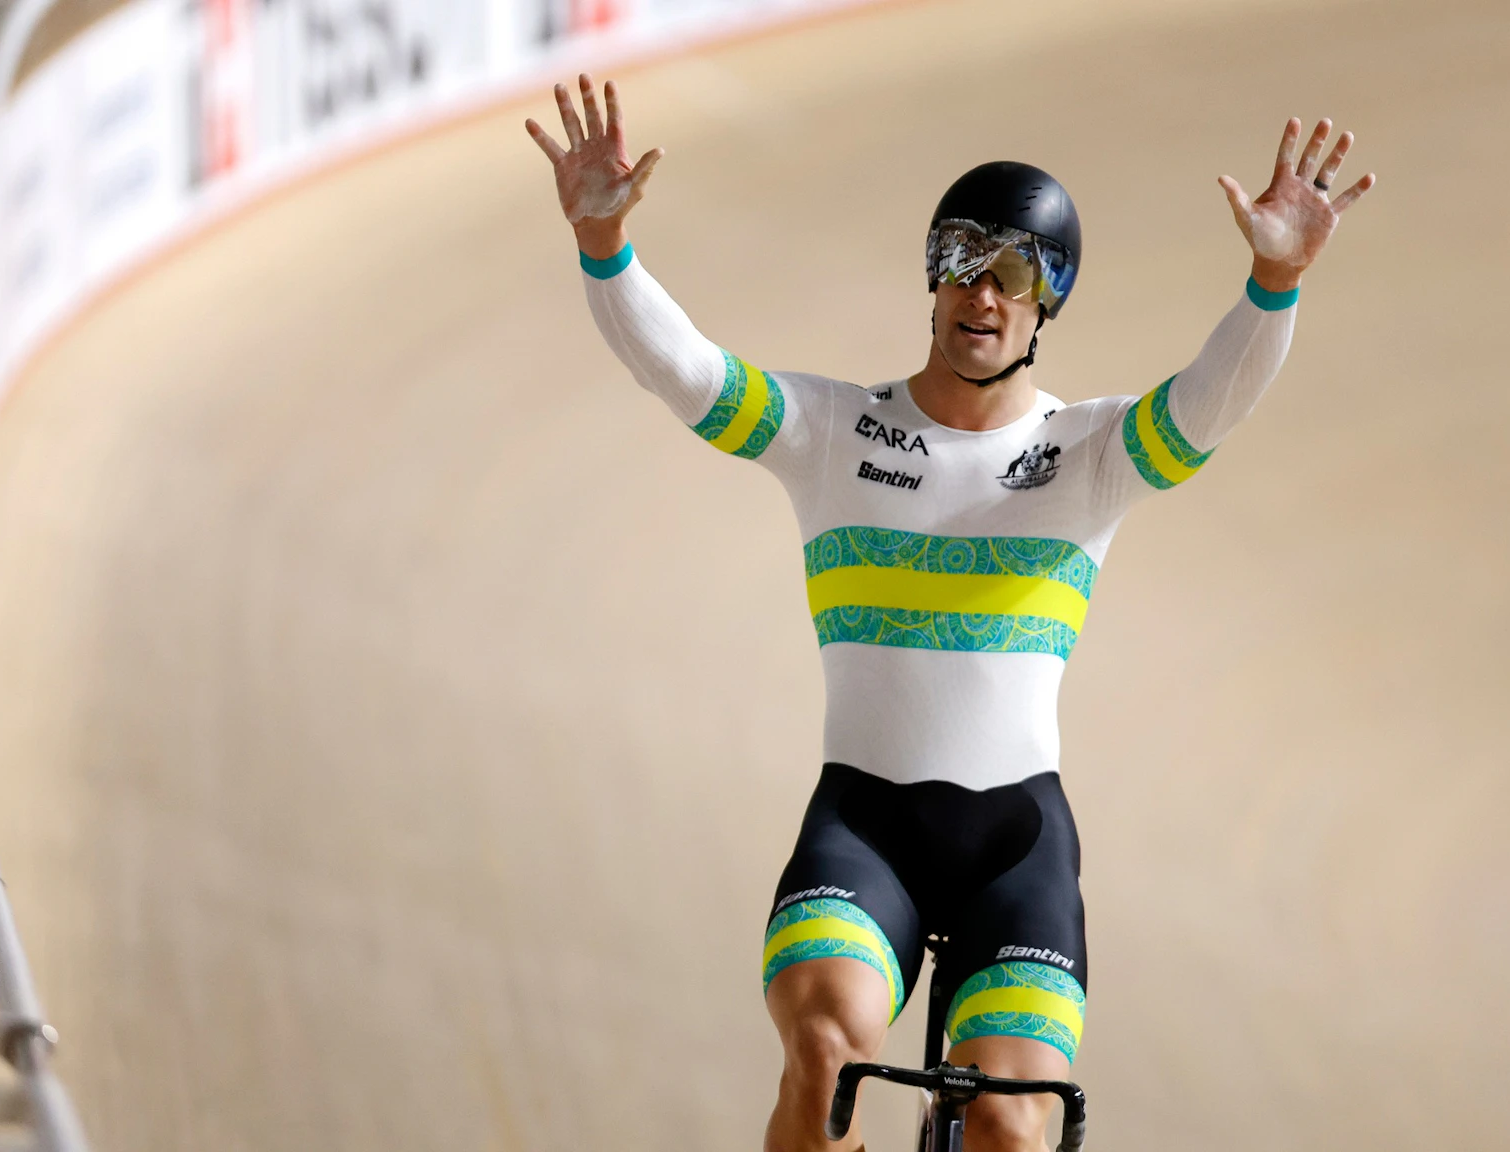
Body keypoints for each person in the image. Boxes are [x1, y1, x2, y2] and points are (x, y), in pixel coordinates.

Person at [526, 74, 1373, 1152]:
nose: (982, 292)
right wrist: (605, 246)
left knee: (1014, 1135)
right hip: (864, 826)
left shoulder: (1092, 456)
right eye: (960, 261)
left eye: (1013, 272)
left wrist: (1273, 280)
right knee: (825, 1056)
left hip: (1013, 842)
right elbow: (684, 372)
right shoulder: (830, 431)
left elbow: (1214, 399)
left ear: (1047, 302)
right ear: (930, 279)